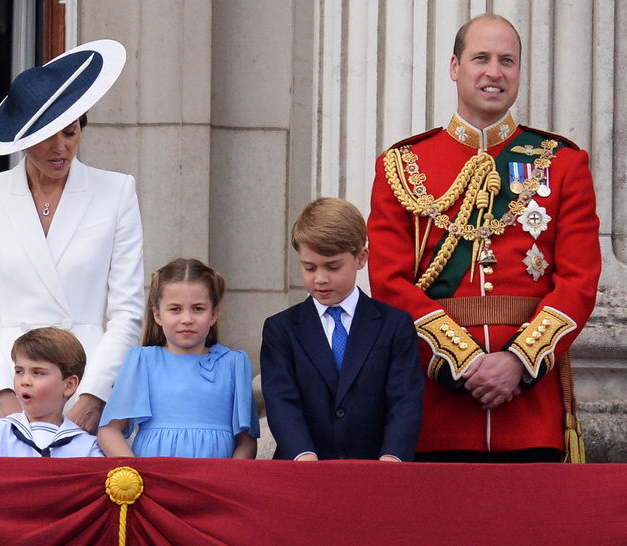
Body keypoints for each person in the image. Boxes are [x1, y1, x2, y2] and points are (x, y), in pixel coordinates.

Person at [367, 14, 601, 463]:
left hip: (530, 411)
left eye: (507, 61)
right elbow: (390, 284)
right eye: (481, 58)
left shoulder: (563, 163)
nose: (495, 72)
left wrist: (517, 362)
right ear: (455, 67)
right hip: (436, 412)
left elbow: (579, 282)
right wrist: (465, 362)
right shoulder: (402, 164)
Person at [0, 40, 145, 434]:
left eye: (71, 133)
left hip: (86, 386)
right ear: (22, 139)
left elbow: (127, 311)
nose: (61, 148)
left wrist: (93, 398)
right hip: (10, 388)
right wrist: (1, 396)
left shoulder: (117, 191)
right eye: (46, 137)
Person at [260, 197, 423, 461]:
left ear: (361, 258)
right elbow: (281, 401)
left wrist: (392, 458)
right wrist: (303, 456)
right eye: (309, 267)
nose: (320, 279)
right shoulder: (281, 329)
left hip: (376, 472)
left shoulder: (395, 325)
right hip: (303, 473)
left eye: (333, 267)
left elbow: (405, 401)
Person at [97, 258, 259, 458]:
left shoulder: (234, 364)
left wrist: (225, 482)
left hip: (213, 482)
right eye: (175, 309)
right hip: (154, 481)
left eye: (198, 309)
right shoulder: (143, 361)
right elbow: (109, 431)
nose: (187, 319)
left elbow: (247, 441)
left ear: (214, 314)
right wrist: (138, 475)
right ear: (157, 315)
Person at [0, 327, 103, 457]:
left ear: (69, 385)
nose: (25, 381)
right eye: (19, 371)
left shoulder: (87, 446)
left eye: (38, 373)